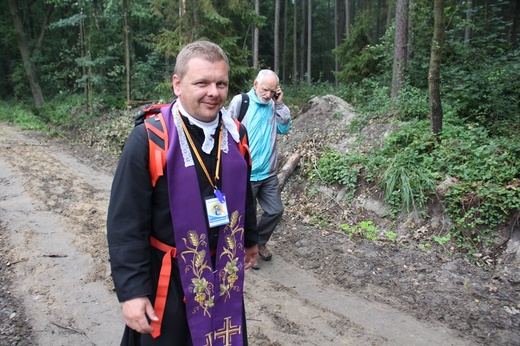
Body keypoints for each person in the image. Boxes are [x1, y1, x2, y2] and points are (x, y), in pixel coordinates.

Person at [107, 40, 259, 346]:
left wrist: (251, 240)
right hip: (169, 280)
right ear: (178, 85)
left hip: (222, 274)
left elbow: (244, 193)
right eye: (201, 83)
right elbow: (125, 223)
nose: (213, 92)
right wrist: (132, 292)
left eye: (221, 83)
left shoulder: (236, 133)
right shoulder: (150, 138)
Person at [227, 70, 291, 269]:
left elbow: (284, 128)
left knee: (275, 211)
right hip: (245, 173)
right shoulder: (241, 102)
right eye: (265, 89)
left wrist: (279, 103)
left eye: (272, 91)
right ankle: (242, 249)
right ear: (255, 84)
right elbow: (226, 130)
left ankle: (258, 242)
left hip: (268, 173)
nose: (268, 94)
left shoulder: (273, 105)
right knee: (244, 215)